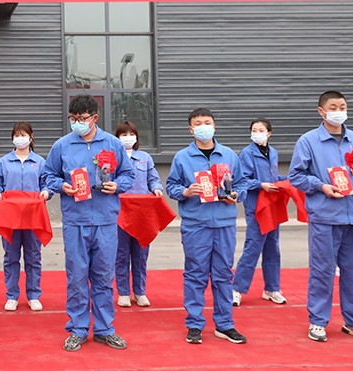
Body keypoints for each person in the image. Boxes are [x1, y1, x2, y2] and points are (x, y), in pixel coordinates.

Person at [43, 94, 134, 352]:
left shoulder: (113, 144)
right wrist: (61, 186)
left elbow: (128, 174)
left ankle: (105, 329)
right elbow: (48, 174)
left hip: (105, 221)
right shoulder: (62, 145)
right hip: (76, 221)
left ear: (94, 118)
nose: (77, 123)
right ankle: (78, 328)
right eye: (73, 118)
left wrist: (118, 185)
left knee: (103, 276)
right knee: (77, 277)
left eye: (82, 118)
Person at [288, 91, 353, 343]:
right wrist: (321, 186)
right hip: (325, 216)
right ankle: (318, 321)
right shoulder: (308, 141)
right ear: (321, 111)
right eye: (333, 107)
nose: (339, 111)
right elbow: (296, 176)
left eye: (342, 107)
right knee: (322, 270)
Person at [166, 108, 249, 344]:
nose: (203, 127)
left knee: (223, 274)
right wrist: (185, 191)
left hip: (224, 223)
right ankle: (194, 324)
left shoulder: (229, 155)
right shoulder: (182, 157)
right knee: (195, 274)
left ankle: (225, 324)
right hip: (196, 224)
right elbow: (171, 185)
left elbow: (242, 183)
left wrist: (236, 195)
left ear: (214, 126)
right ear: (191, 129)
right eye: (198, 123)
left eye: (207, 122)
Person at [0, 121, 53, 312]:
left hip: (33, 217)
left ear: (31, 137)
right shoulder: (3, 162)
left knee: (33, 256)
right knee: (10, 257)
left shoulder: (40, 162)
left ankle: (34, 295)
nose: (20, 139)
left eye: (23, 135)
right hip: (10, 217)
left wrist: (46, 192)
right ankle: (11, 295)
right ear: (12, 138)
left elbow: (47, 183)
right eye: (16, 135)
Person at [232, 119, 289, 307]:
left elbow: (272, 176)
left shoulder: (273, 152)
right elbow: (242, 179)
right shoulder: (247, 153)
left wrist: (287, 181)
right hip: (257, 206)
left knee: (273, 248)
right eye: (254, 130)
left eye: (261, 130)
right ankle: (237, 289)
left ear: (269, 133)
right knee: (253, 246)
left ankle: (272, 288)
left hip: (272, 205)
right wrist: (261, 184)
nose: (257, 133)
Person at [113, 120, 163, 308]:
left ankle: (140, 292)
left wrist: (156, 188)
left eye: (131, 134)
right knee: (121, 253)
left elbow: (153, 178)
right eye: (123, 135)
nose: (128, 138)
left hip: (142, 213)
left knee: (141, 254)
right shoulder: (112, 158)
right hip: (121, 212)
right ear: (117, 138)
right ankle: (123, 293)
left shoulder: (145, 158)